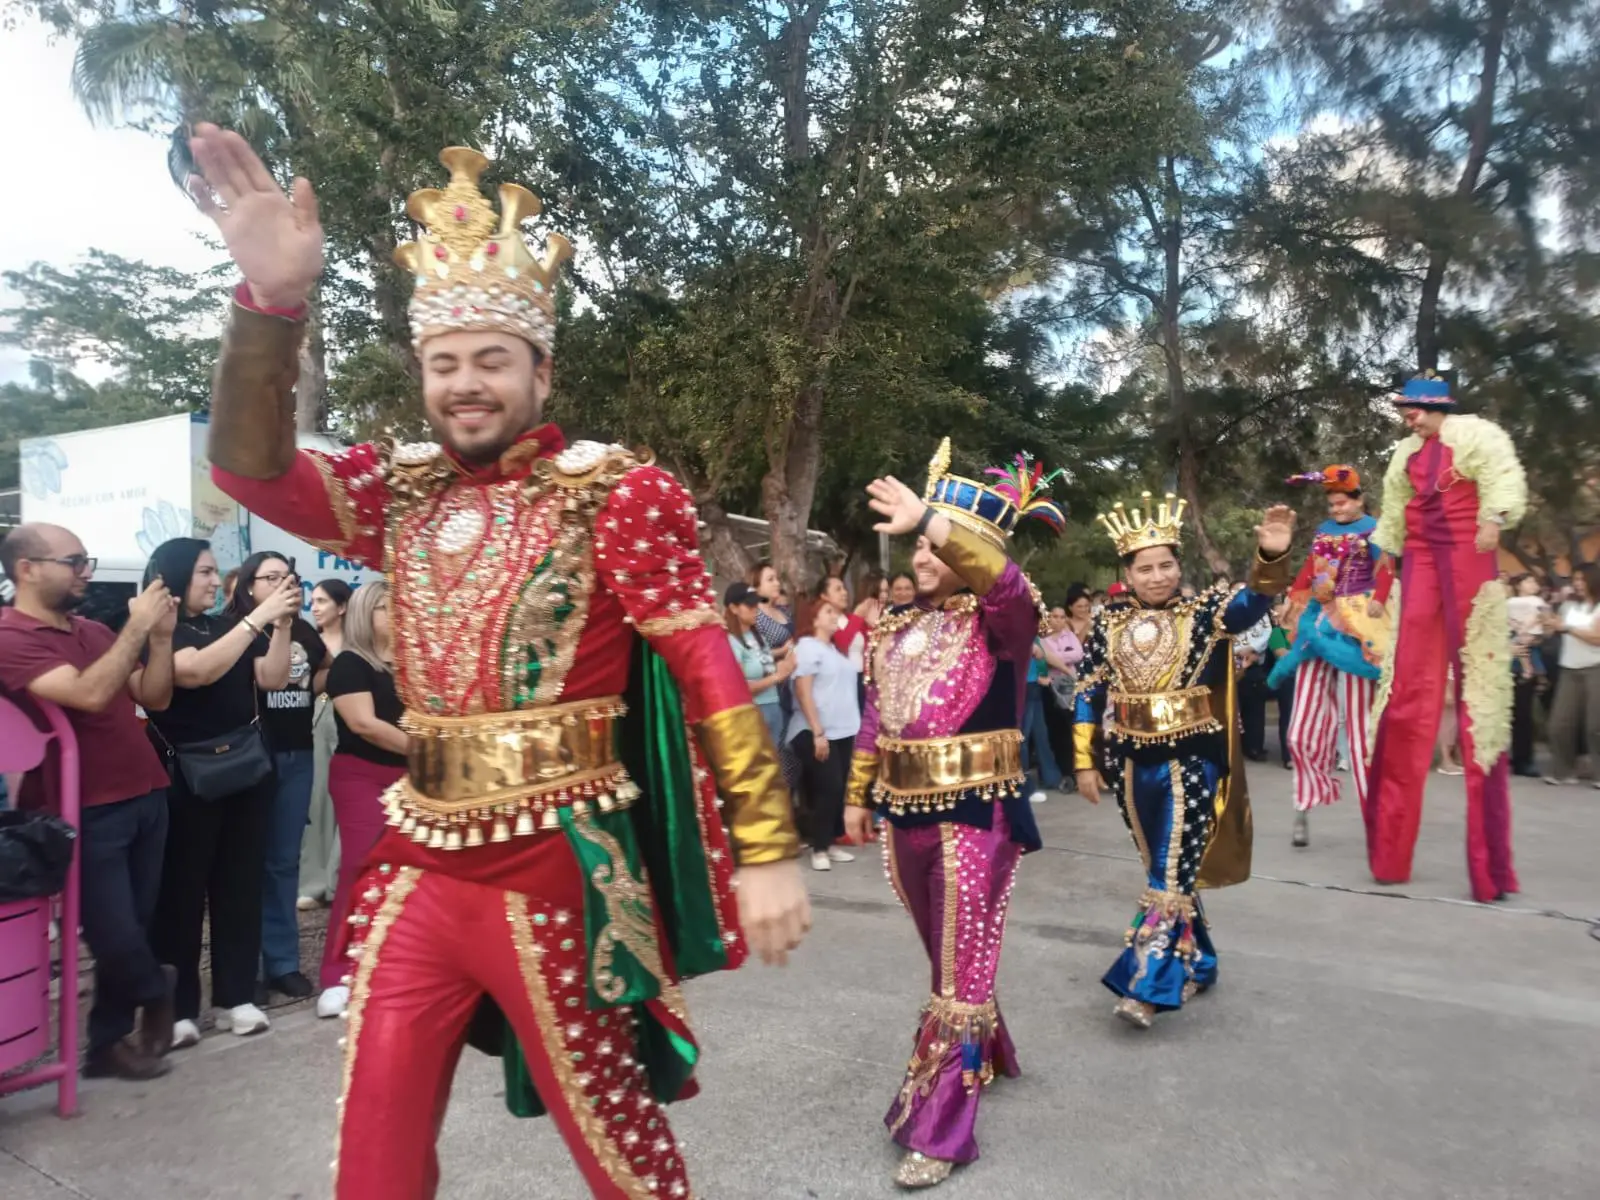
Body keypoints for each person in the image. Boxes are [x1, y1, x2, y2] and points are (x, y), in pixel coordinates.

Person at [187, 125, 809, 1199]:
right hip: (419, 863)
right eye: (443, 364)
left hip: (556, 867)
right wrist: (269, 306)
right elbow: (248, 465)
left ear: (539, 366)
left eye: (490, 360)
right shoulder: (402, 492)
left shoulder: (613, 491)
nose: (465, 385)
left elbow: (707, 667)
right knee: (372, 1156)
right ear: (421, 373)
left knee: (618, 1151)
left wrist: (766, 848)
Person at [842, 439, 1061, 1189]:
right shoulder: (895, 629)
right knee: (947, 958)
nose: (925, 556)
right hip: (905, 816)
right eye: (921, 546)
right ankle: (983, 1044)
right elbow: (875, 719)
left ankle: (940, 1129)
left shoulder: (1003, 623)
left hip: (975, 816)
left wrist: (929, 517)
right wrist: (855, 795)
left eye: (940, 544)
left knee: (957, 972)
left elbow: (1004, 587)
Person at [1074, 492, 1294, 1029]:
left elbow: (1253, 605)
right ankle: (1203, 962)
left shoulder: (1204, 614)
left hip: (1190, 765)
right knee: (1165, 874)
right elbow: (1089, 691)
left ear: (1179, 566)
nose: (1157, 576)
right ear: (1127, 573)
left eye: (1166, 565)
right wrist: (1084, 759)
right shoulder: (1108, 624)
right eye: (1145, 568)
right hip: (1130, 769)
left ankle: (1147, 986)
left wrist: (1270, 557)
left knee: (1169, 875)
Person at [0, 523, 180, 1080]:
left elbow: (153, 696)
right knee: (110, 928)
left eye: (87, 560)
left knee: (135, 923)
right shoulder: (10, 635)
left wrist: (161, 639)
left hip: (146, 789)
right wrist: (136, 627)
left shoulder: (95, 630)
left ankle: (107, 1044)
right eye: (73, 561)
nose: (86, 572)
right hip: (78, 805)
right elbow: (87, 694)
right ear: (27, 569)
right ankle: (156, 988)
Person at [1365, 373, 1525, 902]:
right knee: (1406, 691)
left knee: (1480, 689)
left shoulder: (1477, 434)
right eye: (1404, 408)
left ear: (1437, 406)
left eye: (1414, 407)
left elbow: (1503, 478)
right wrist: (1385, 560)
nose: (1407, 415)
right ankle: (1389, 854)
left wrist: (1495, 520)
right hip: (1422, 560)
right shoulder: (1403, 454)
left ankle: (1490, 868)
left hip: (1467, 550)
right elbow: (1392, 513)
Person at [143, 536, 303, 1046]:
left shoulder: (228, 625)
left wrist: (280, 626)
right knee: (182, 894)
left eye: (216, 573)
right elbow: (195, 671)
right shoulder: (159, 630)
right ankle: (181, 1007)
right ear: (172, 576)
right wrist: (258, 619)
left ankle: (237, 997)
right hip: (185, 777)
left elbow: (272, 678)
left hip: (246, 772)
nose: (215, 582)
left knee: (240, 887)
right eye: (205, 573)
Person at [1267, 465, 1393, 847]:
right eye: (1332, 504)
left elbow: (1385, 568)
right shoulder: (1323, 531)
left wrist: (1382, 600)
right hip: (1319, 622)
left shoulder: (1375, 528)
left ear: (1359, 500)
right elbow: (1309, 571)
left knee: (1360, 733)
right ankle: (1303, 805)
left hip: (1358, 626)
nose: (1337, 509)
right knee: (1301, 729)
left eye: (1342, 503)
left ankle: (1377, 821)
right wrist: (1291, 601)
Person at [231, 551, 330, 1001]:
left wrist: (316, 684)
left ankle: (282, 964)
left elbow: (326, 664)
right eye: (270, 578)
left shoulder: (304, 629)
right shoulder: (238, 628)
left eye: (288, 578)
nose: (282, 585)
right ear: (249, 585)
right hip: (251, 757)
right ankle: (243, 967)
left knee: (284, 863)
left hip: (297, 755)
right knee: (245, 864)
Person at [316, 582, 408, 1019]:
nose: (398, 613)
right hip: (362, 778)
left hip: (411, 779)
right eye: (388, 607)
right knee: (363, 868)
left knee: (410, 872)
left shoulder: (411, 664)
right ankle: (339, 973)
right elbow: (365, 725)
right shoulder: (350, 665)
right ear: (365, 614)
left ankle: (392, 966)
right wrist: (431, 751)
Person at [788, 597, 861, 871]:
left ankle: (829, 841)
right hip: (815, 730)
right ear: (814, 619)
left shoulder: (834, 650)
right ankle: (818, 847)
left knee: (838, 787)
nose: (834, 615)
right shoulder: (807, 648)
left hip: (842, 731)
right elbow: (803, 690)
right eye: (828, 612)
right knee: (827, 788)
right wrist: (818, 731)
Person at [300, 579, 351, 909]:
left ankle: (340, 880)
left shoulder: (360, 641)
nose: (314, 606)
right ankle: (313, 883)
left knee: (349, 796)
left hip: (352, 718)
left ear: (342, 607)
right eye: (313, 600)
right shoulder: (309, 641)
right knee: (317, 798)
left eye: (322, 601)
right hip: (318, 717)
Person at [1543, 563, 1600, 786]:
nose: (1577, 584)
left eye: (1582, 580)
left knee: (1595, 726)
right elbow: (1555, 628)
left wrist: (1567, 628)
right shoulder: (1568, 606)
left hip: (1595, 667)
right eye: (1575, 580)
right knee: (1560, 723)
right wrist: (1547, 624)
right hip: (1569, 668)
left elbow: (1597, 638)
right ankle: (1563, 771)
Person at [725, 580, 793, 748]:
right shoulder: (731, 641)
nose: (756, 609)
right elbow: (740, 686)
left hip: (773, 708)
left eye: (756, 604)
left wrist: (784, 652)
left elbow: (760, 657)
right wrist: (777, 676)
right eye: (750, 606)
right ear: (733, 608)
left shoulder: (756, 635)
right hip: (754, 713)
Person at [1505, 574, 1546, 778]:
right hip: (1504, 662)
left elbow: (1544, 628)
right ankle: (1508, 756)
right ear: (1518, 584)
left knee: (1523, 714)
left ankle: (1524, 759)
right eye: (1529, 581)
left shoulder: (1539, 604)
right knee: (1506, 714)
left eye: (1535, 582)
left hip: (1526, 663)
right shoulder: (1507, 605)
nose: (1533, 585)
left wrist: (1533, 637)